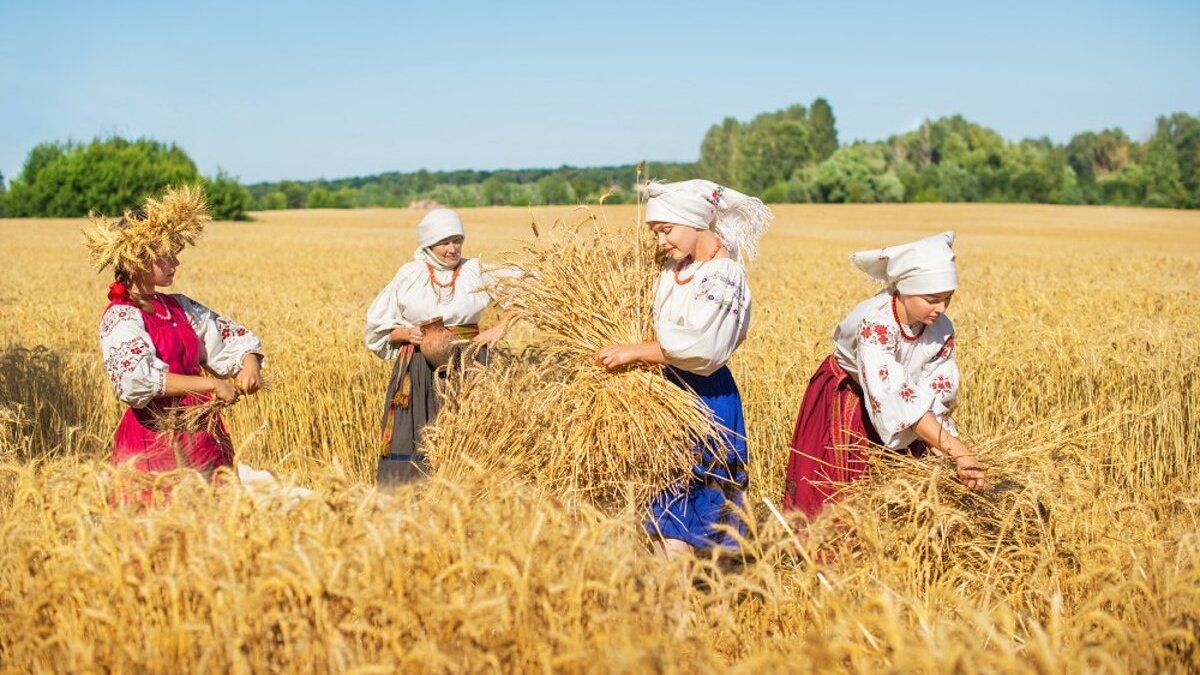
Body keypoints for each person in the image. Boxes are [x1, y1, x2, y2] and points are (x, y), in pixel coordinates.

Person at [596, 179, 772, 557]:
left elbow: (703, 349)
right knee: (664, 517)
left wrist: (634, 352)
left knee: (706, 519)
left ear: (695, 223)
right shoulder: (673, 270)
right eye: (656, 233)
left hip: (705, 400)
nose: (660, 241)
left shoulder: (724, 276)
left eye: (666, 230)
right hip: (662, 396)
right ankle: (672, 611)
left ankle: (712, 605)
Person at [782, 232, 986, 518]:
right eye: (932, 299)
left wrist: (944, 445)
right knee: (846, 496)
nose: (941, 308)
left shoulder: (941, 328)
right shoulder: (876, 322)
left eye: (948, 299)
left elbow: (937, 388)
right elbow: (889, 392)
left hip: (908, 414)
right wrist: (956, 449)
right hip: (849, 402)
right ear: (905, 290)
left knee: (901, 498)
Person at [86, 185, 264, 477]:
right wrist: (211, 385)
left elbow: (232, 338)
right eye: (166, 256)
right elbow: (135, 381)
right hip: (153, 448)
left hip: (203, 440)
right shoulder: (121, 317)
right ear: (138, 259)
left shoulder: (179, 306)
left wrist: (249, 365)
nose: (176, 262)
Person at [365, 209, 514, 486]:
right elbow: (378, 328)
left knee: (470, 431)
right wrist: (406, 333)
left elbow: (527, 293)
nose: (452, 248)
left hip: (469, 364)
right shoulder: (410, 274)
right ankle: (410, 502)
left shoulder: (475, 270)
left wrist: (500, 327)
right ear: (429, 245)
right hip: (419, 368)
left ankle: (470, 500)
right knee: (418, 433)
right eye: (445, 242)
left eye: (457, 240)